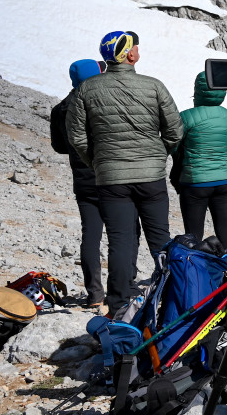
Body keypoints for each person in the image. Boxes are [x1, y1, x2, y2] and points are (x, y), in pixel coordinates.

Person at [67, 31, 183, 316]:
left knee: (119, 239)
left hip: (111, 178)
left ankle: (118, 302)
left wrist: (98, 163)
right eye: (135, 47)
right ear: (129, 55)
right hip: (151, 176)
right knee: (160, 238)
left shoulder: (87, 89)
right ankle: (173, 297)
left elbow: (77, 137)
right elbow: (175, 130)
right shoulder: (153, 86)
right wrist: (157, 156)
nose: (138, 50)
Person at [50, 59, 107, 311]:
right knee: (121, 233)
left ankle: (95, 293)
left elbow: (60, 147)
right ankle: (122, 290)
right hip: (111, 176)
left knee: (91, 235)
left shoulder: (60, 109)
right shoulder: (103, 102)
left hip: (84, 181)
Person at [175, 71, 227, 246]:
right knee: (225, 231)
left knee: (193, 235)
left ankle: (195, 271)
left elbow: (174, 146)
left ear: (198, 90)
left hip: (195, 183)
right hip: (224, 180)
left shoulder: (186, 116)